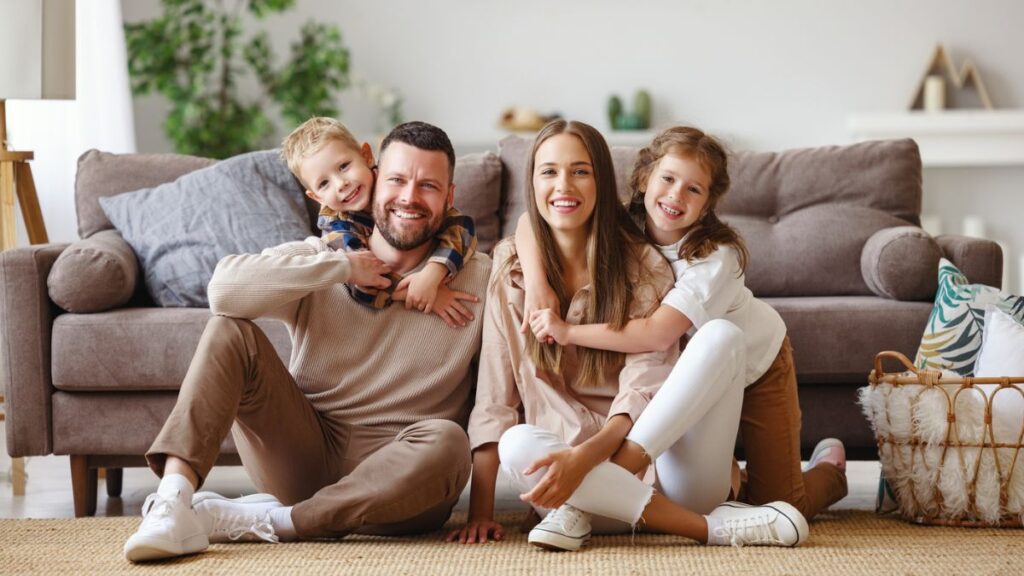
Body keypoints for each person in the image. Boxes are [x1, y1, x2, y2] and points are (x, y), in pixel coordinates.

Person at [123, 121, 491, 562]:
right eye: (396, 180)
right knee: (229, 330)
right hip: (304, 456)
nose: (409, 197)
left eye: (428, 185)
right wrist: (340, 268)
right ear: (376, 177)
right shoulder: (322, 257)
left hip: (404, 482)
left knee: (449, 442)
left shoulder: (480, 277)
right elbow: (223, 292)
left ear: (449, 197)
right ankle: (172, 502)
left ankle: (280, 521)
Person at [450, 120, 807, 552]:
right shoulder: (512, 267)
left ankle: (808, 478)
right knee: (516, 442)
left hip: (656, 463)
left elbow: (650, 362)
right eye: (549, 171)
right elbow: (494, 394)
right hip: (565, 485)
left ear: (601, 179)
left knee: (722, 340)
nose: (565, 184)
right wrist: (481, 512)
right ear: (643, 181)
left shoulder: (648, 262)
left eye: (581, 171)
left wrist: (591, 457)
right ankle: (704, 524)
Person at [525, 125, 848, 525]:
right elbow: (529, 222)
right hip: (689, 372)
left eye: (694, 189)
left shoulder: (715, 257)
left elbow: (660, 332)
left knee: (781, 504)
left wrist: (568, 332)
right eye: (668, 179)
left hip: (754, 364)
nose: (676, 195)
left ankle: (830, 473)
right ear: (644, 179)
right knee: (717, 487)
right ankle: (734, 485)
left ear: (709, 202)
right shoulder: (623, 227)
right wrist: (538, 286)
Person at [282, 116, 478, 323]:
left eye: (344, 166)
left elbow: (462, 226)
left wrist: (434, 273)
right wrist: (422, 292)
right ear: (317, 197)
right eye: (324, 184)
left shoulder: (392, 179)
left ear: (366, 156)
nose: (341, 184)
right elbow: (364, 281)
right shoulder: (337, 227)